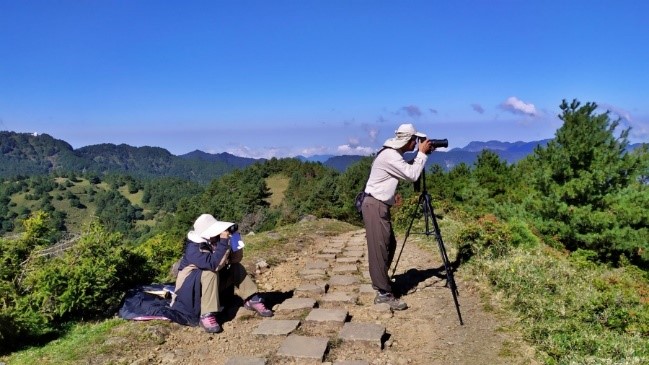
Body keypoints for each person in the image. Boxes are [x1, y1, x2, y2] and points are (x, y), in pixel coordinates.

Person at [361, 123, 433, 310]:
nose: (417, 143)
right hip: (375, 206)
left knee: (388, 244)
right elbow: (411, 175)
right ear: (408, 141)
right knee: (380, 249)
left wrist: (419, 155)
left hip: (378, 205)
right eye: (415, 140)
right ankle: (383, 293)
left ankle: (382, 282)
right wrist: (422, 154)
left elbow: (405, 167)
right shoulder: (391, 156)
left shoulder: (391, 154)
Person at [171, 213, 273, 333]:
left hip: (209, 288)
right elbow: (213, 265)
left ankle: (252, 299)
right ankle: (206, 315)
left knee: (236, 267)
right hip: (189, 293)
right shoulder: (193, 248)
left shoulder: (215, 242)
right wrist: (224, 242)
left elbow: (235, 260)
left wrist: (235, 238)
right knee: (210, 272)